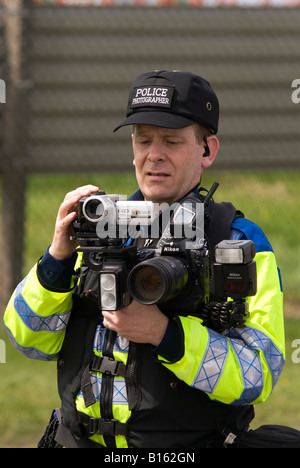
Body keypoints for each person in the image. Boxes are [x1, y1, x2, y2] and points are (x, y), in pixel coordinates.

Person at [4, 70, 285, 448]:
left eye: (172, 140)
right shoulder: (96, 224)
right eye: (143, 140)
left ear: (207, 150)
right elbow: (28, 340)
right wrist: (57, 256)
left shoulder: (236, 240)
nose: (154, 154)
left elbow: (258, 373)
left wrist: (164, 334)